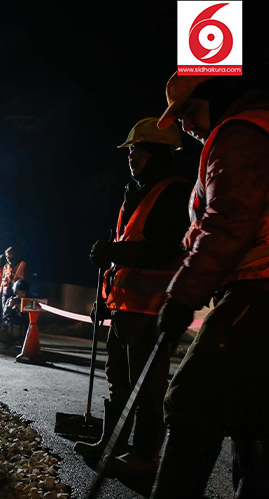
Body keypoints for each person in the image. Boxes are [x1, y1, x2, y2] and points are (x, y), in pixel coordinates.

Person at [96, 74, 269, 499]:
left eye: (190, 114)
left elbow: (228, 221)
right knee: (248, 410)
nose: (189, 128)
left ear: (212, 99)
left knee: (192, 395)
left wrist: (183, 296)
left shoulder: (242, 133)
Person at [73, 118, 191, 479]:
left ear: (156, 151)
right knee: (119, 380)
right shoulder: (136, 192)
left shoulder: (173, 192)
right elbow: (125, 251)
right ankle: (113, 446)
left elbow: (165, 250)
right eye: (130, 150)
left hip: (151, 311)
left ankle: (142, 457)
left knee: (147, 387)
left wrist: (115, 253)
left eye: (137, 149)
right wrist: (105, 299)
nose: (131, 156)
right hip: (125, 308)